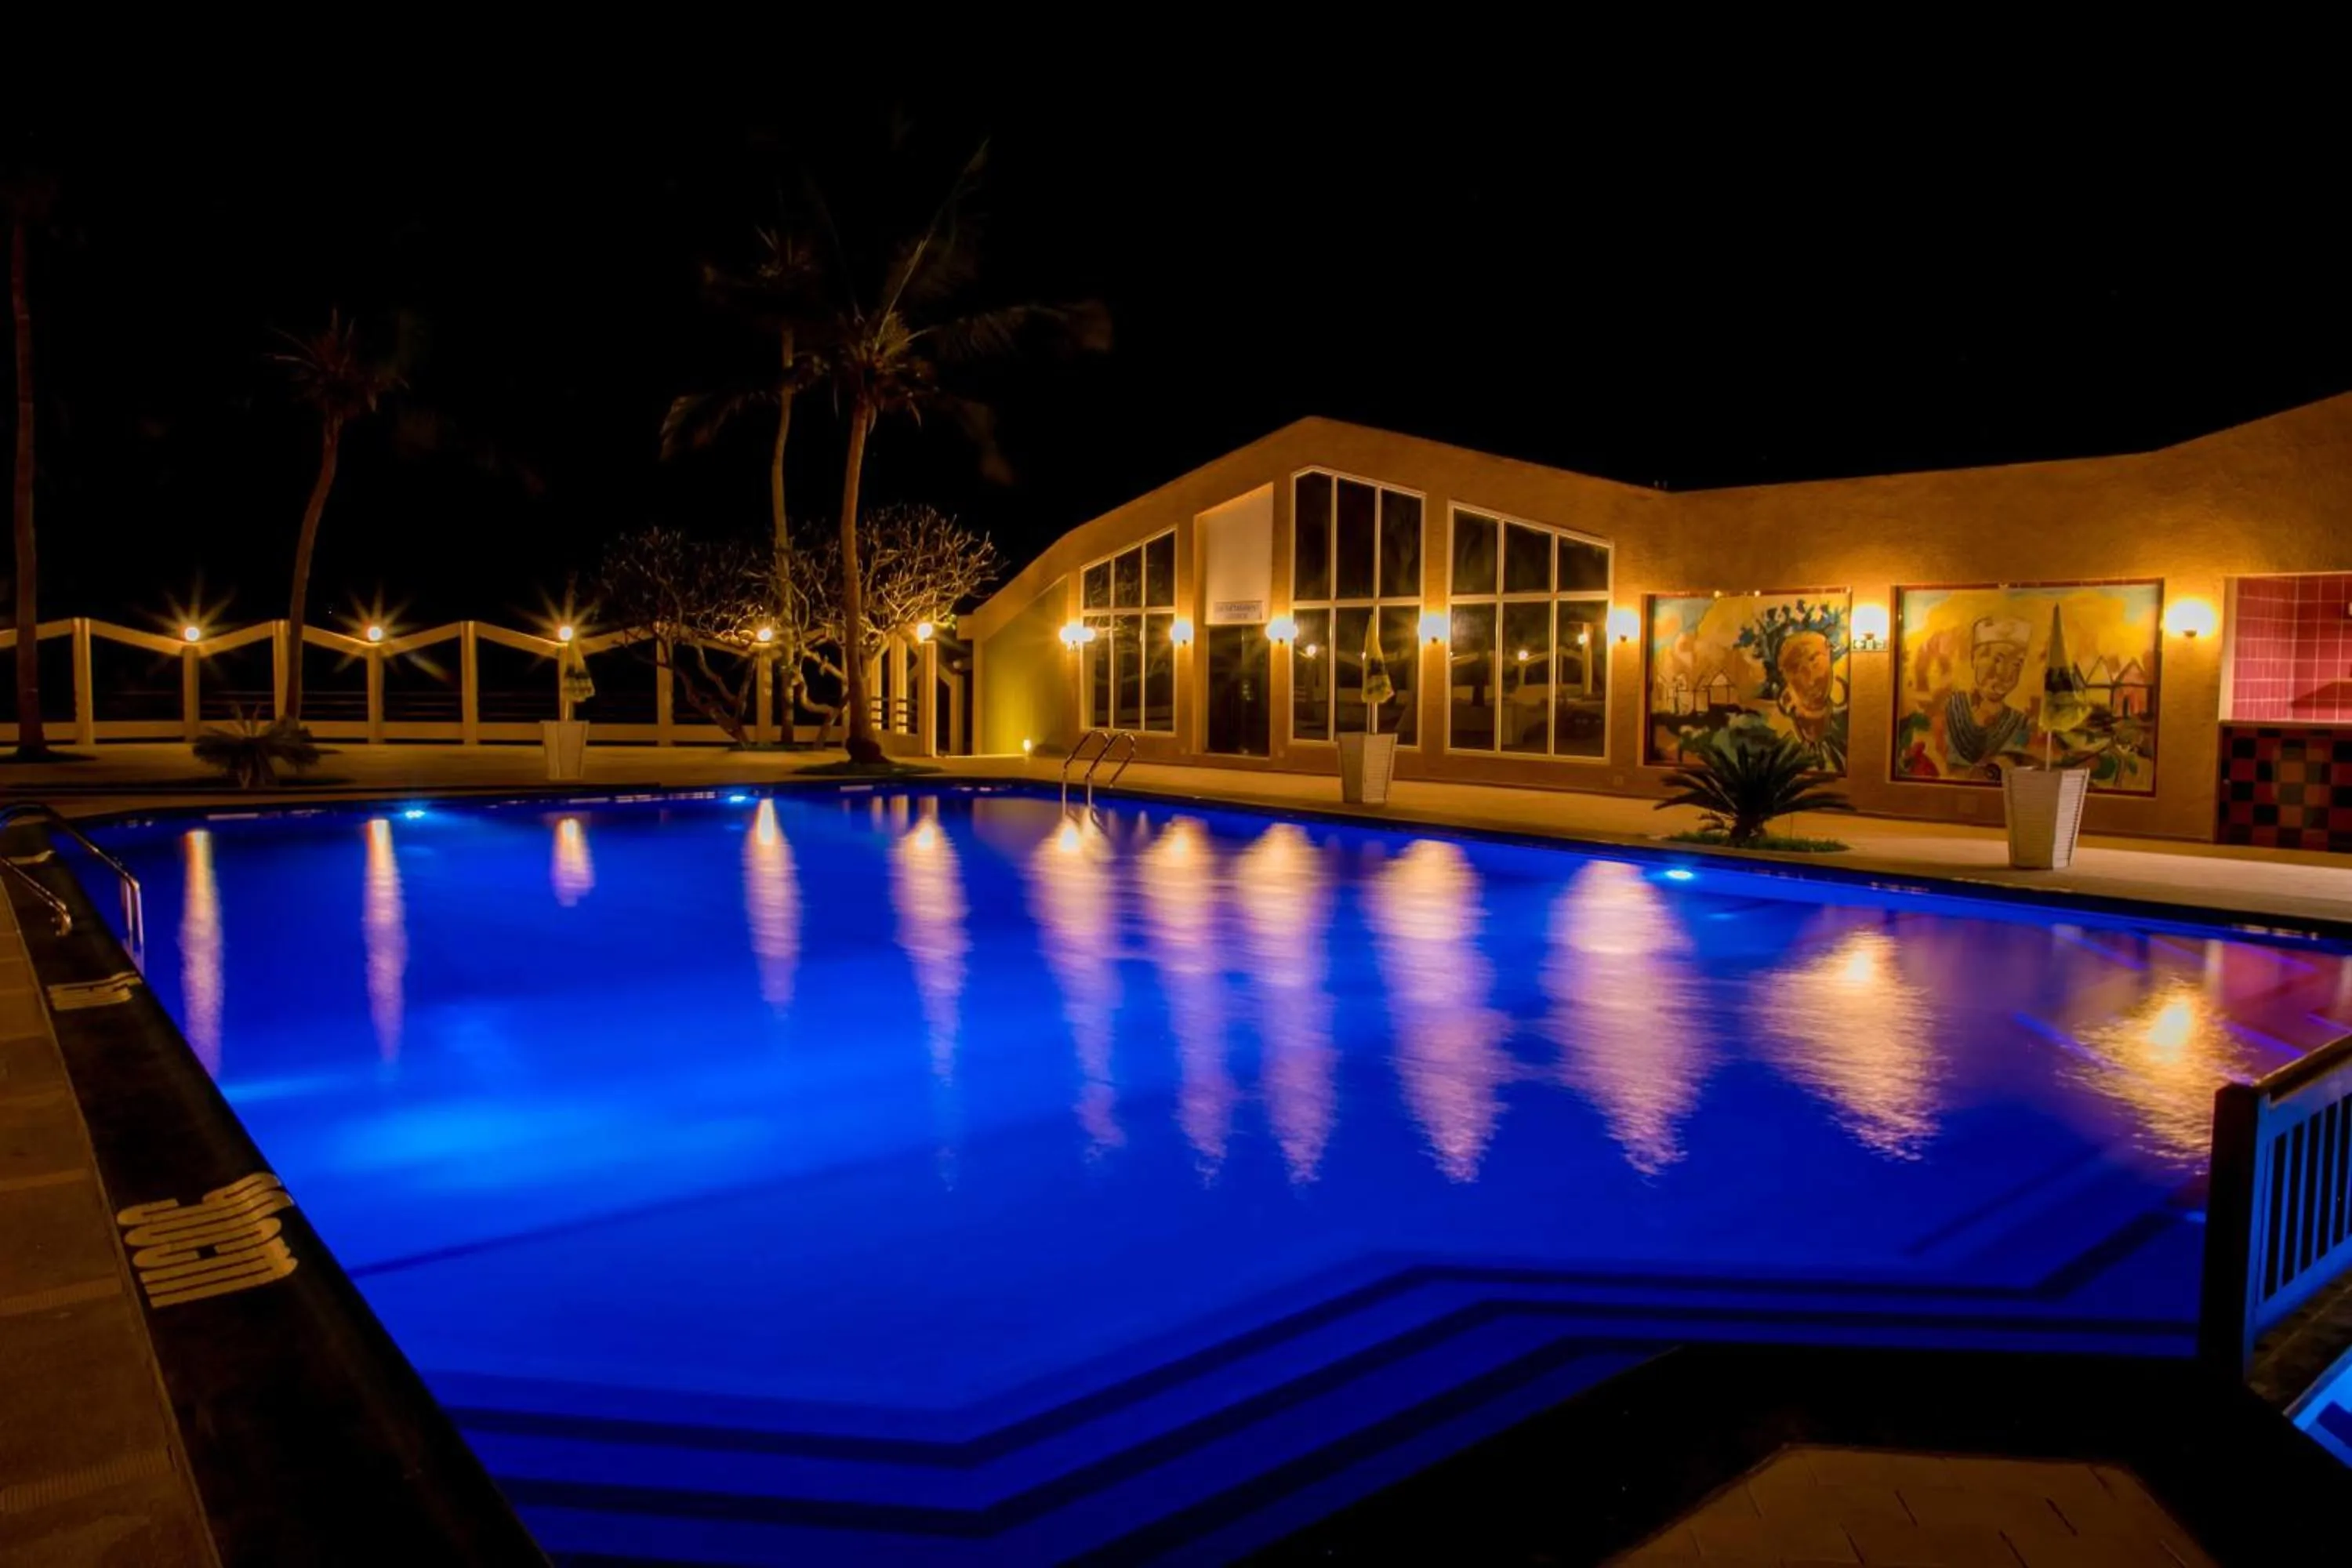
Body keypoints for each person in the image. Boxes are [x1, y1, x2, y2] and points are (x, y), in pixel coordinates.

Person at [1943, 615, 2031, 771]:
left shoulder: (2020, 724)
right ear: (1974, 659)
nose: (2004, 673)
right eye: (1997, 660)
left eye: (2016, 664)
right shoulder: (1948, 708)